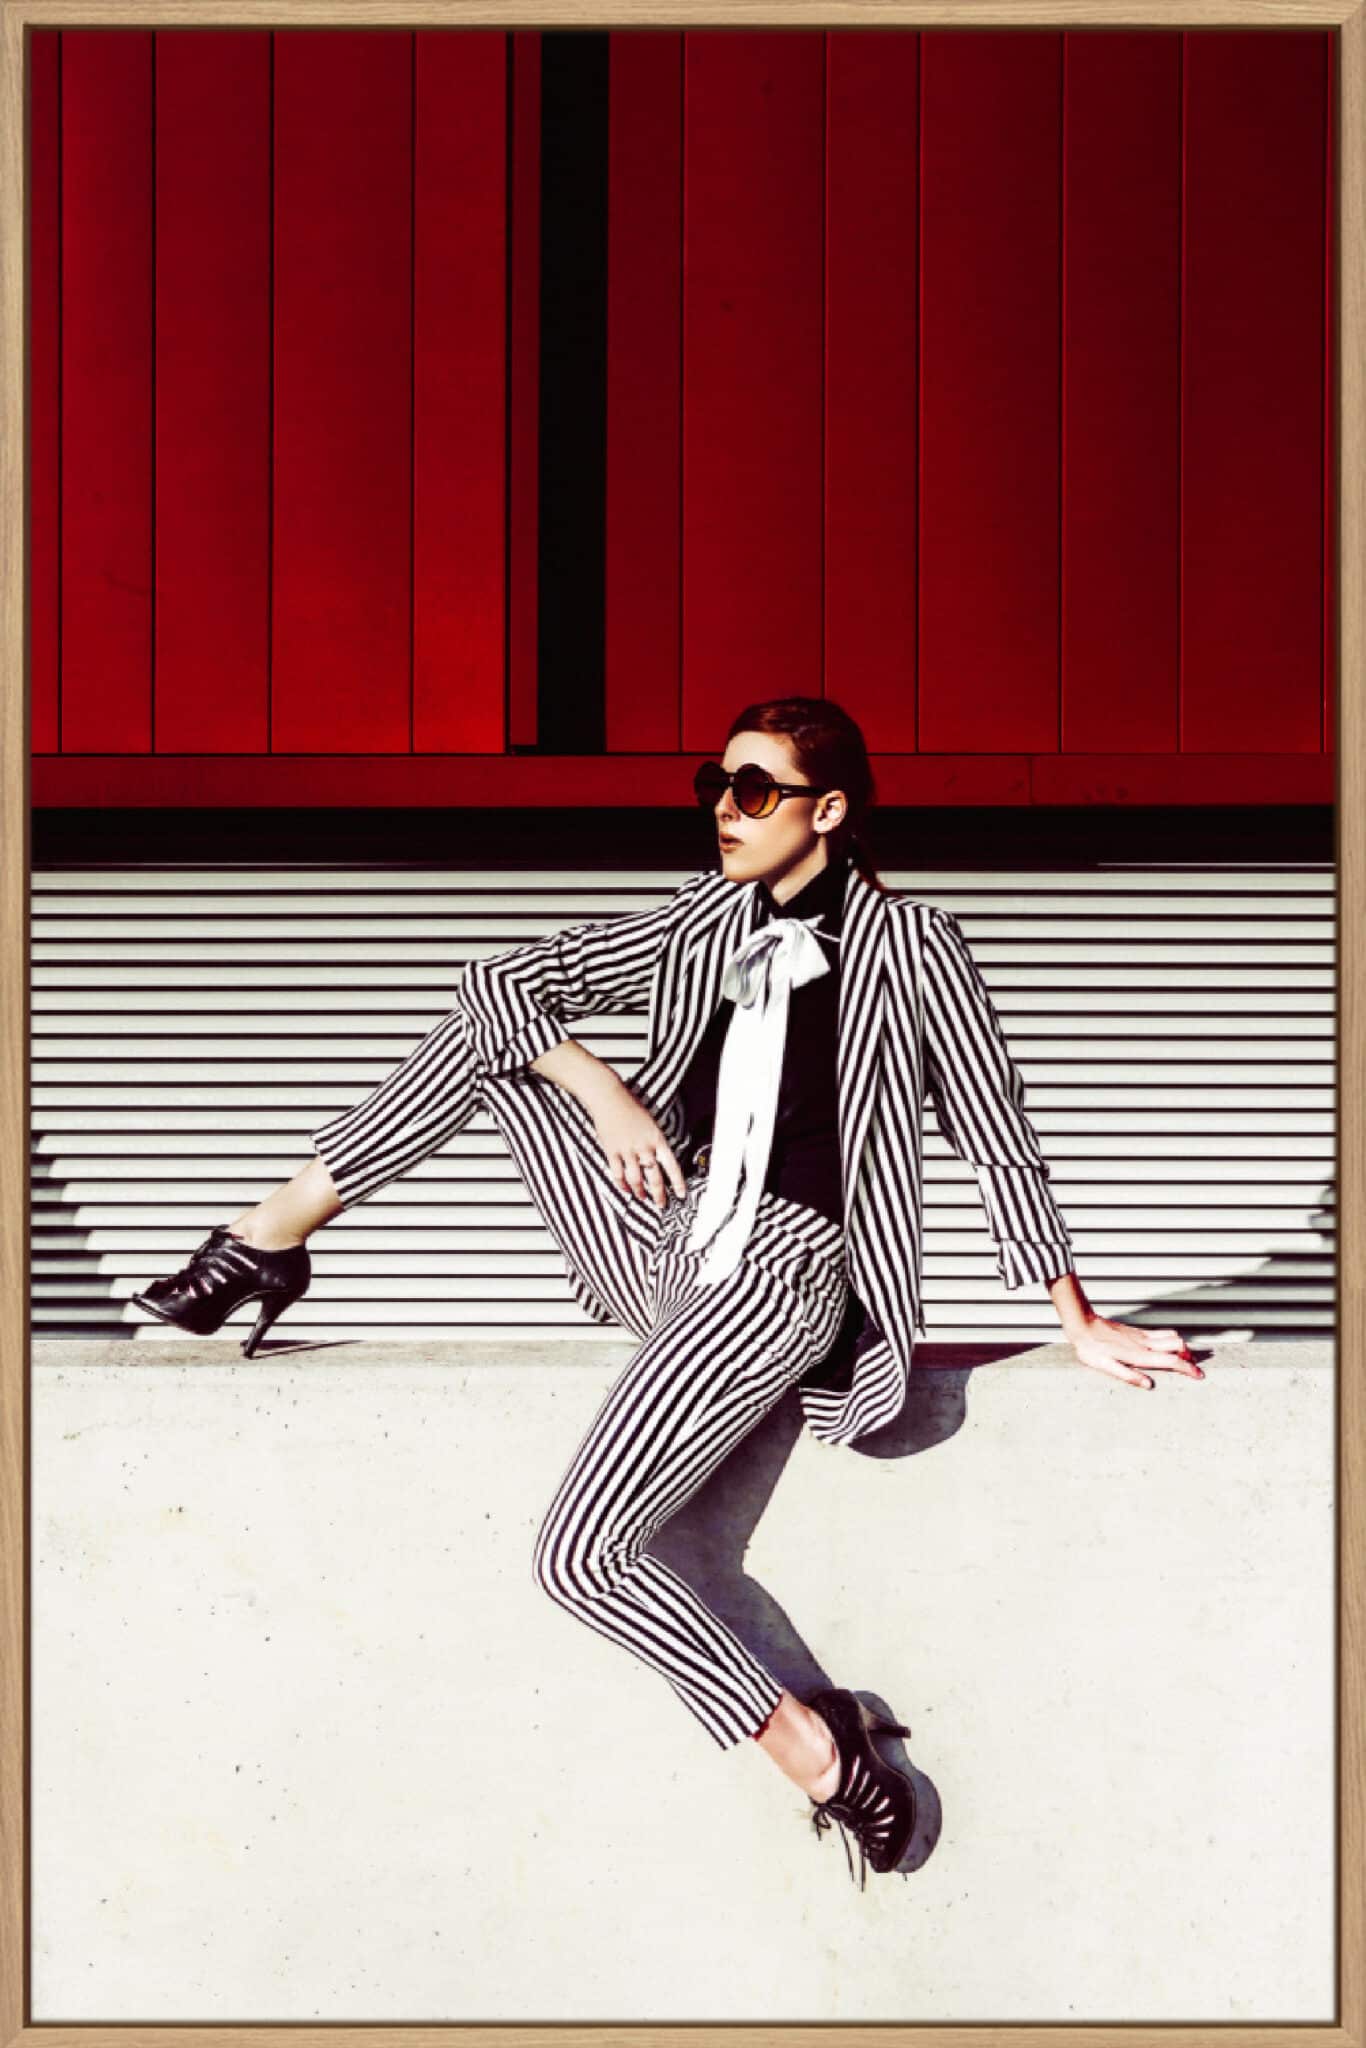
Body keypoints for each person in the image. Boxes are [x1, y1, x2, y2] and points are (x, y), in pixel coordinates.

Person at [132, 696, 1201, 1890]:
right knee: (498, 1041)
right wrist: (605, 1093)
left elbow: (995, 1129)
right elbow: (494, 982)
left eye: (754, 790)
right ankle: (268, 1236)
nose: (723, 811)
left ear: (827, 810)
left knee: (581, 1554)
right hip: (664, 1229)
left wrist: (1074, 1316)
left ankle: (823, 1747)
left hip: (782, 1266)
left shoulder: (912, 945)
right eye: (715, 786)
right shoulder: (705, 917)